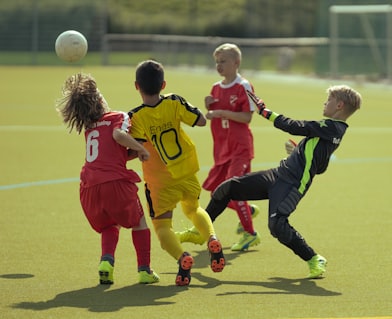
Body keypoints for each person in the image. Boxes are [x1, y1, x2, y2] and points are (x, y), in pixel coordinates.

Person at [202, 85, 362, 278]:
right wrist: (298, 155)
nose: (325, 103)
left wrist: (264, 111)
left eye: (328, 100)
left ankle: (313, 258)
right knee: (227, 188)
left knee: (277, 225)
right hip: (278, 175)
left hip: (291, 185)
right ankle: (201, 228)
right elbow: (321, 167)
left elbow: (294, 126)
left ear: (339, 105)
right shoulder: (331, 132)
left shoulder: (331, 127)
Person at [128, 60, 225, 286]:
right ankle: (212, 237)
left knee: (162, 226)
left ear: (136, 86)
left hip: (159, 180)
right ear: (163, 85)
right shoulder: (174, 101)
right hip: (187, 169)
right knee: (194, 209)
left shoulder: (136, 116)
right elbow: (201, 121)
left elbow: (136, 150)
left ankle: (183, 257)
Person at [56, 72, 159, 285]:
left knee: (109, 225)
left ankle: (106, 262)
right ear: (98, 100)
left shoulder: (90, 127)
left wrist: (133, 153)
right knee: (140, 222)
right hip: (115, 183)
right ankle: (144, 270)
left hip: (89, 188)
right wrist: (141, 148)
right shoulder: (118, 117)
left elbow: (112, 153)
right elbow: (118, 136)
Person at [176, 43, 261, 251]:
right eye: (217, 62)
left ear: (236, 62)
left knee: (233, 190)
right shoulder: (216, 87)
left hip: (240, 148)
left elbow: (247, 116)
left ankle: (250, 234)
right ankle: (247, 210)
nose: (219, 65)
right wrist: (210, 106)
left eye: (223, 61)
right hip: (222, 150)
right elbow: (215, 114)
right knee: (216, 192)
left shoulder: (244, 86)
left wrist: (221, 112)